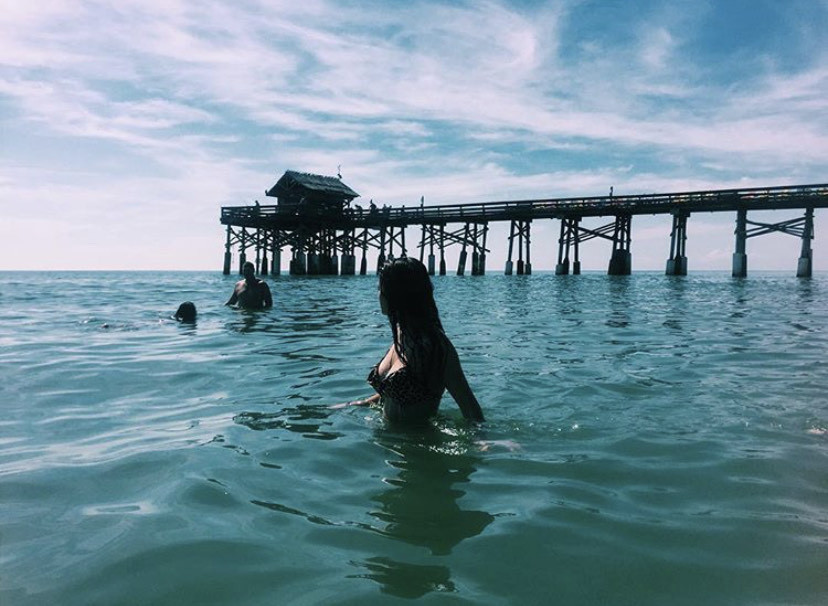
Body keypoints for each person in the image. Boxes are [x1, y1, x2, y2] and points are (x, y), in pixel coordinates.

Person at [337, 257, 484, 425]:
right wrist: (352, 405)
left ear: (397, 294)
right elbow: (390, 395)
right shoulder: (402, 335)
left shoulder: (436, 347)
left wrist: (485, 442)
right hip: (385, 445)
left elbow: (471, 410)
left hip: (418, 445)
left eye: (381, 288)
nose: (378, 294)